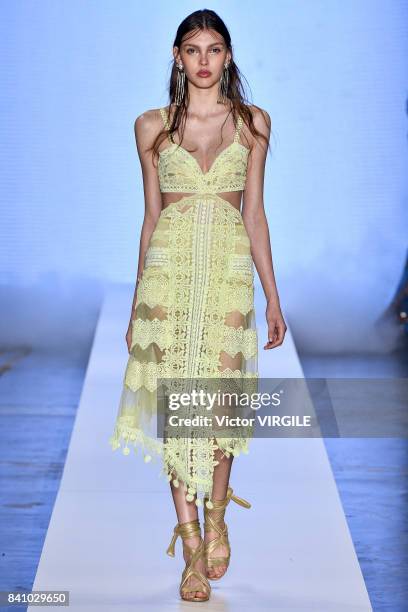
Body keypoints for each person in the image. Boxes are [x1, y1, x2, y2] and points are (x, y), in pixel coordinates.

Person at [109, 8, 286, 603]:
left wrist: (273, 299)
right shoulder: (150, 127)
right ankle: (190, 549)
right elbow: (151, 216)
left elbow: (255, 214)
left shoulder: (254, 124)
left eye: (214, 49)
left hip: (230, 272)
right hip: (170, 272)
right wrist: (138, 298)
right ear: (178, 57)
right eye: (193, 49)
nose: (204, 60)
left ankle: (217, 515)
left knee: (218, 402)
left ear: (228, 56)